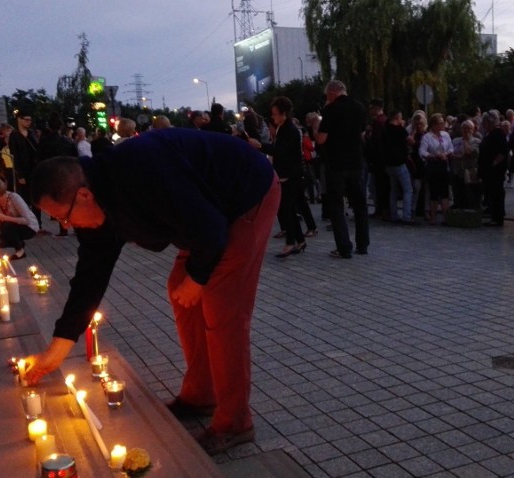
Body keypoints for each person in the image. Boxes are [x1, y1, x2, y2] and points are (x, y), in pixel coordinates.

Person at [23, 129, 281, 455]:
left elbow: (211, 230)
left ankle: (236, 421)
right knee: (180, 289)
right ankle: (201, 395)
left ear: (84, 195)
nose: (67, 226)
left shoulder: (143, 173)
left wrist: (199, 277)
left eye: (64, 217)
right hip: (203, 214)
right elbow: (89, 277)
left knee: (221, 306)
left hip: (246, 195)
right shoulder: (98, 206)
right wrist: (57, 350)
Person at [316, 80, 369, 258]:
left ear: (332, 92)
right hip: (356, 162)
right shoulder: (359, 107)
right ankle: (363, 244)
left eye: (327, 95)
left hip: (336, 163)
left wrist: (317, 127)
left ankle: (344, 247)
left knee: (337, 205)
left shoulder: (331, 110)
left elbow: (321, 139)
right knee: (360, 205)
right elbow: (361, 134)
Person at [250, 96, 307, 257]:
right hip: (287, 174)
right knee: (288, 208)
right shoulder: (284, 128)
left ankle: (290, 242)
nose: (273, 117)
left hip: (291, 175)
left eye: (275, 114)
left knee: (286, 209)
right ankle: (300, 241)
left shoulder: (289, 130)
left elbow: (281, 151)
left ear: (284, 113)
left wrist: (260, 145)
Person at [0, 175, 37, 259]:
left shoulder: (14, 198)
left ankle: (20, 252)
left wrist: (4, 217)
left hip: (29, 228)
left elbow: (27, 220)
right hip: (14, 228)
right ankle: (19, 242)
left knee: (5, 223)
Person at [419, 114, 454, 224]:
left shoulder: (446, 135)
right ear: (433, 125)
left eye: (443, 123)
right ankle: (433, 216)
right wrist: (432, 156)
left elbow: (451, 148)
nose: (442, 125)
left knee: (444, 192)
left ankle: (446, 217)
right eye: (439, 123)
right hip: (433, 165)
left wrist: (446, 154)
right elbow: (422, 152)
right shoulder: (427, 137)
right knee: (434, 192)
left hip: (443, 164)